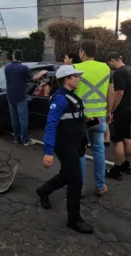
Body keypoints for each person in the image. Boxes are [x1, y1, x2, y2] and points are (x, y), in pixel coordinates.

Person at [36, 65, 93, 234]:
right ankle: (73, 219)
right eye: (76, 76)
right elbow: (51, 125)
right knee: (75, 180)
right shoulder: (59, 99)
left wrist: (86, 119)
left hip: (75, 142)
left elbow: (72, 119)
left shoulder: (71, 96)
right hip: (64, 145)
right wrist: (48, 152)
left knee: (67, 175)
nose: (79, 79)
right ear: (67, 79)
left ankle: (43, 191)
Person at [74, 39, 114, 197]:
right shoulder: (105, 68)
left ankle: (80, 188)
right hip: (99, 117)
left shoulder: (75, 68)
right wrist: (109, 112)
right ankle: (100, 186)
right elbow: (110, 93)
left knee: (80, 152)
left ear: (82, 52)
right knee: (99, 151)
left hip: (81, 119)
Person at [4, 49, 48, 145]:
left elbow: (19, 77)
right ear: (22, 58)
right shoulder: (24, 68)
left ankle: (16, 138)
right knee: (23, 119)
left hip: (10, 96)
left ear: (13, 56)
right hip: (21, 97)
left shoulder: (7, 67)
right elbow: (33, 78)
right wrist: (41, 73)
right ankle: (26, 140)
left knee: (14, 119)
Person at [105, 53, 131, 180]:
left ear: (112, 61)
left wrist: (111, 110)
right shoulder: (129, 71)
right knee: (127, 138)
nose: (109, 66)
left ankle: (116, 170)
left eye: (109, 63)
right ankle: (126, 165)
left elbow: (118, 93)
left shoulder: (118, 73)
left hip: (120, 111)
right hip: (129, 109)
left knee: (117, 141)